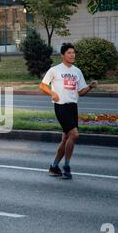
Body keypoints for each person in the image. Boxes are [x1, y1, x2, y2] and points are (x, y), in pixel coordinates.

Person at [39, 43, 98, 179]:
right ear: (63, 55)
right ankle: (66, 166)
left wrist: (90, 86)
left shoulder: (77, 71)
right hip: (60, 106)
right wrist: (52, 93)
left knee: (66, 138)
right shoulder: (55, 70)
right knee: (74, 134)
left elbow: (81, 92)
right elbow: (42, 85)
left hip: (72, 107)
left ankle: (53, 167)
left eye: (73, 52)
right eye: (69, 53)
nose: (72, 55)